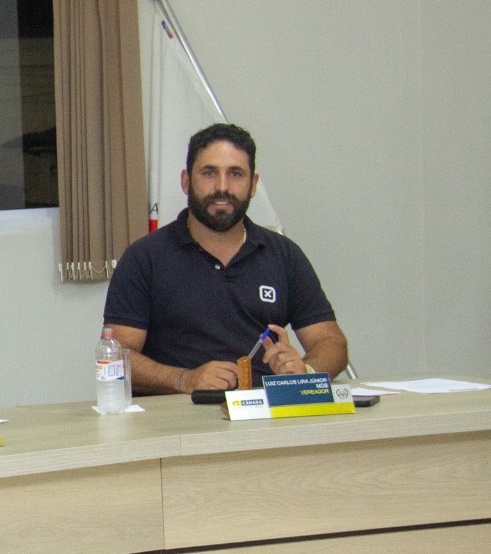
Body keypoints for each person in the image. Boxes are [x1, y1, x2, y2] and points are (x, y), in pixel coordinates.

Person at [103, 123, 348, 395]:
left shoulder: (284, 255)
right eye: (209, 173)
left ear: (253, 184)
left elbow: (331, 342)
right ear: (186, 181)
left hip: (264, 410)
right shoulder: (144, 257)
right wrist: (184, 379)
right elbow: (117, 355)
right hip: (178, 412)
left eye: (236, 174)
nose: (222, 187)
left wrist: (305, 372)